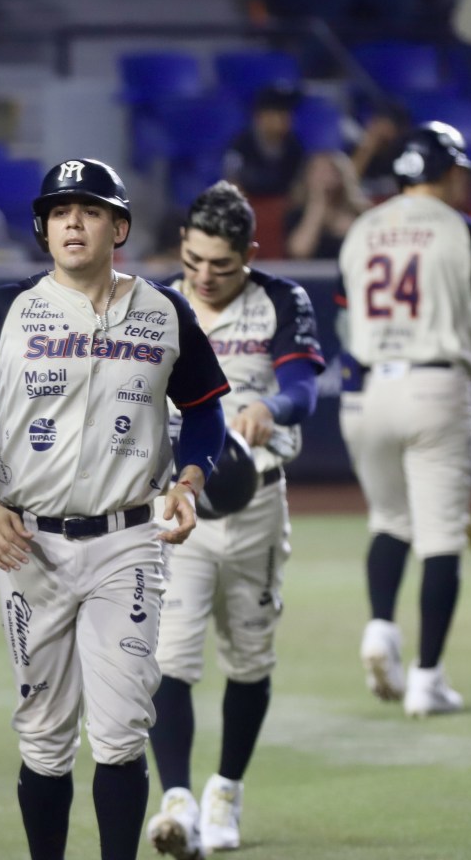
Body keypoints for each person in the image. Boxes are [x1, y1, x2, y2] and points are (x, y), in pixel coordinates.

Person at [0, 158, 230, 860]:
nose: (72, 221)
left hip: (129, 540)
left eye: (90, 210)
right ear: (42, 226)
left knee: (122, 730)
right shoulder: (4, 309)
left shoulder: (163, 309)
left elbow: (207, 413)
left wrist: (187, 482)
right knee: (43, 734)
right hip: (29, 544)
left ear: (117, 226)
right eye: (59, 210)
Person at [143, 182, 324, 859]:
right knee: (170, 658)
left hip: (256, 501)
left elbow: (305, 383)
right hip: (179, 502)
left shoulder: (280, 298)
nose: (204, 276)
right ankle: (179, 801)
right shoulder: (156, 301)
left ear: (250, 253)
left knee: (249, 659)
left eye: (221, 263)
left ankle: (227, 789)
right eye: (193, 260)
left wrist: (272, 406)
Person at [338, 121, 471, 718]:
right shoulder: (468, 234)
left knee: (389, 520)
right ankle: (428, 679)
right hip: (437, 386)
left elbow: (344, 320)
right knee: (439, 538)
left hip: (368, 392)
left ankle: (381, 629)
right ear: (449, 172)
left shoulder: (362, 231)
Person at [223, 83, 305, 199]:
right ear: (261, 117)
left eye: (287, 113)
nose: (286, 118)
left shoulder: (294, 146)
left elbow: (298, 187)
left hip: (284, 209)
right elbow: (233, 185)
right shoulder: (241, 145)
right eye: (278, 113)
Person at [285, 151, 370, 260]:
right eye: (317, 171)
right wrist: (317, 205)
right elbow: (299, 251)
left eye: (330, 171)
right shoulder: (296, 214)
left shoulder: (362, 214)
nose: (323, 177)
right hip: (312, 275)